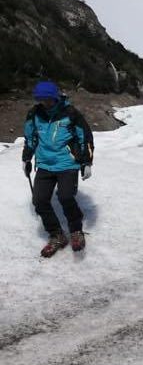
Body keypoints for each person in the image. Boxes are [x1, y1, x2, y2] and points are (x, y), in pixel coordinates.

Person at [22, 81, 94, 257]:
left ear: (55, 97)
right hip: (45, 164)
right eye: (41, 100)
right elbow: (30, 138)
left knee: (66, 196)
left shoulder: (70, 114)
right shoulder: (34, 114)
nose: (45, 103)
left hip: (67, 163)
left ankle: (76, 230)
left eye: (48, 99)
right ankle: (57, 234)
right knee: (39, 200)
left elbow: (85, 138)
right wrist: (26, 158)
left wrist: (86, 162)